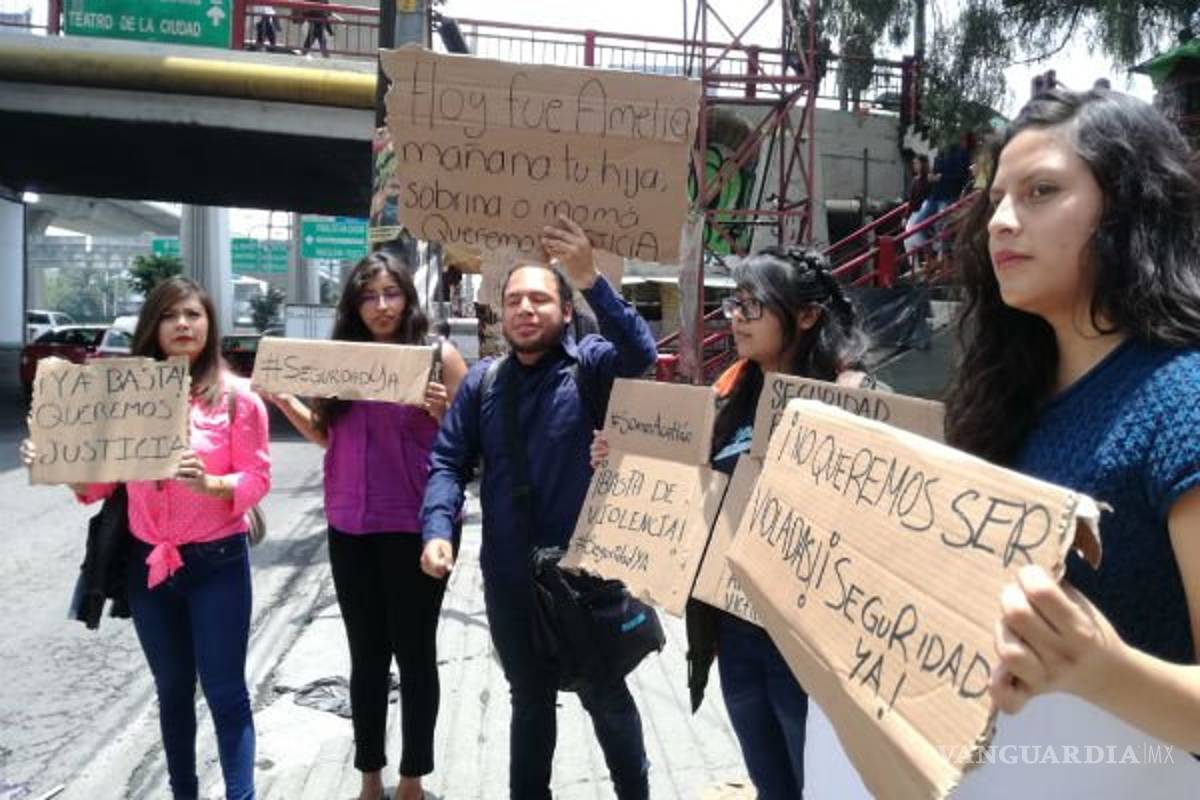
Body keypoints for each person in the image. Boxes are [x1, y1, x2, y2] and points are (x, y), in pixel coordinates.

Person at [946, 88, 1200, 773]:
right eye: (996, 198)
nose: (1000, 221)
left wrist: (1100, 668)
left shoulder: (1185, 405)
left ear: (1127, 208)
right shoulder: (1003, 398)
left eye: (1041, 191)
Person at [592, 247, 873, 799]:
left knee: (821, 784)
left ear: (807, 315)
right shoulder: (730, 397)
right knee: (771, 782)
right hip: (736, 632)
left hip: (810, 644)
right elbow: (690, 484)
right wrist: (620, 457)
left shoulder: (854, 397)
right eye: (733, 305)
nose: (736, 318)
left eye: (752, 306)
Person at [419, 216, 658, 800]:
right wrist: (437, 527)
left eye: (540, 299)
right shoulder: (482, 382)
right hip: (509, 578)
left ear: (565, 312)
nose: (525, 309)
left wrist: (589, 278)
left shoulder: (592, 365)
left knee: (606, 695)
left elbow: (642, 353)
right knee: (528, 702)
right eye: (514, 300)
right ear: (501, 314)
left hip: (587, 574)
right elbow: (448, 462)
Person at [22, 277, 271, 800]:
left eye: (193, 315)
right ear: (152, 328)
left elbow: (257, 479)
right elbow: (98, 486)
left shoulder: (237, 399)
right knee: (173, 693)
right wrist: (57, 465)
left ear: (209, 325)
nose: (182, 324)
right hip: (148, 567)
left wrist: (210, 482)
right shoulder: (125, 398)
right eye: (169, 316)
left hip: (218, 564)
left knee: (226, 693)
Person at [265, 252, 467, 800]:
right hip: (350, 525)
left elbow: (470, 447)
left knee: (415, 652)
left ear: (408, 298)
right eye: (369, 295)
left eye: (391, 293)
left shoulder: (437, 358)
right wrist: (284, 399)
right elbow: (330, 437)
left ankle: (412, 780)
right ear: (354, 304)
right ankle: (370, 778)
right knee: (366, 656)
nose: (381, 306)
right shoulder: (339, 363)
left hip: (417, 528)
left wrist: (440, 413)